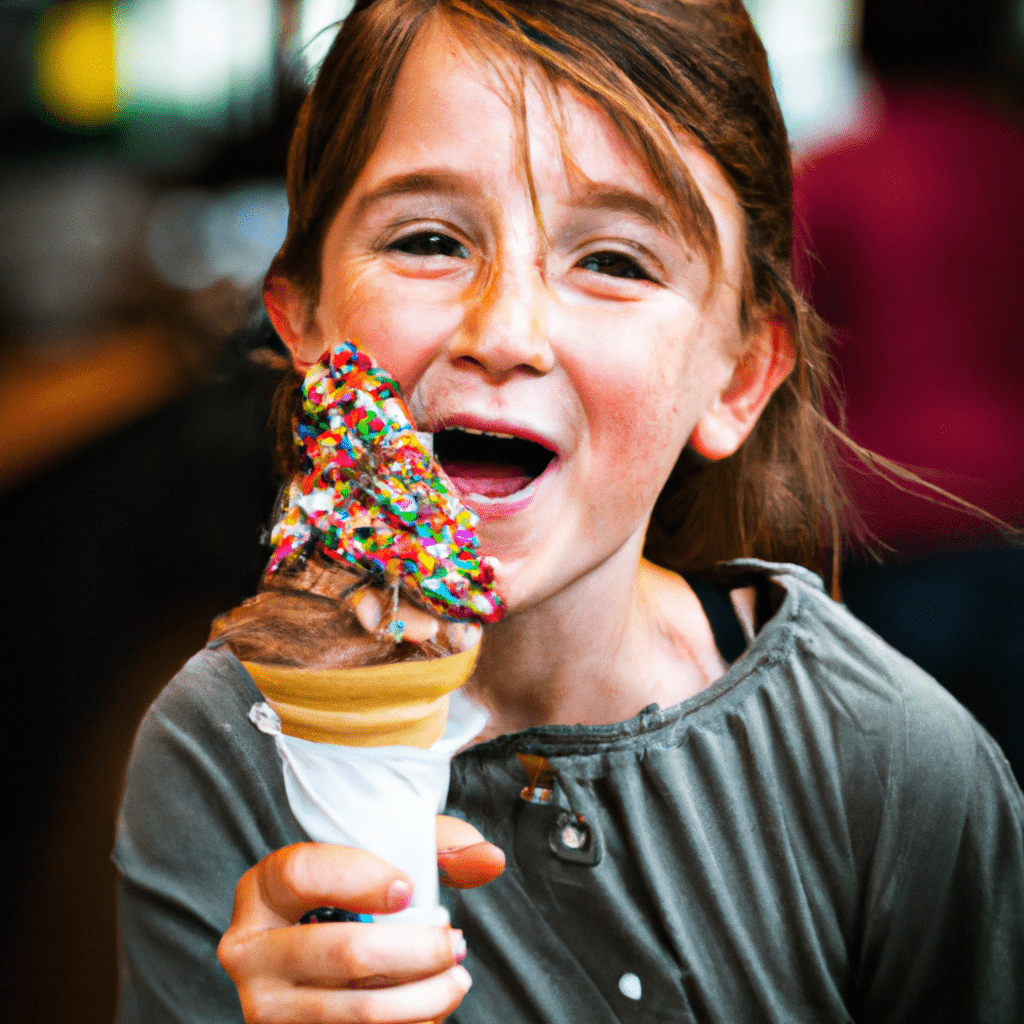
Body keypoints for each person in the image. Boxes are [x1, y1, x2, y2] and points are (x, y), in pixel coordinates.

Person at [113, 2, 1024, 1022]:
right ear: (305, 324)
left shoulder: (896, 772)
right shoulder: (220, 750)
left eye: (614, 261)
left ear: (736, 377)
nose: (504, 331)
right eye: (424, 239)